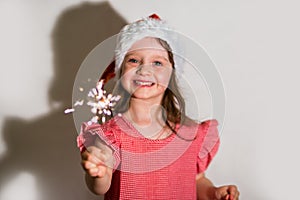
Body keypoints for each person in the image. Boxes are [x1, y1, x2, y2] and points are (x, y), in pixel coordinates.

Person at [77, 14, 239, 200]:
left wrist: (212, 193)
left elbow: (196, 179)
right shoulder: (111, 136)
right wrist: (98, 172)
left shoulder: (190, 134)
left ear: (171, 74)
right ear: (121, 71)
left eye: (157, 63)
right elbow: (100, 187)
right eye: (134, 60)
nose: (145, 70)